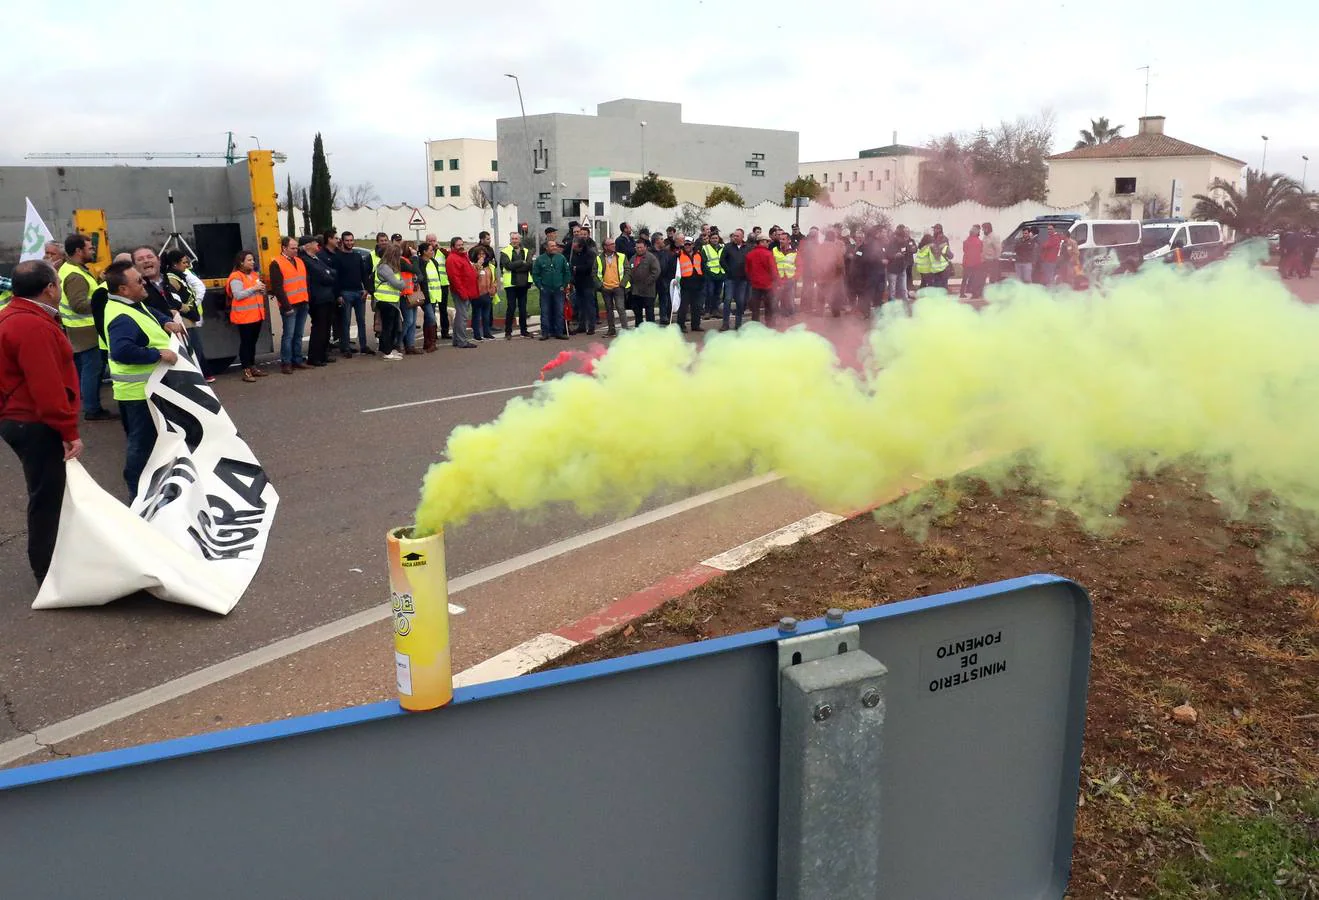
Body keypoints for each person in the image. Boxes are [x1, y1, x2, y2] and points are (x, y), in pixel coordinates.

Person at [0, 260, 84, 586]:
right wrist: (69, 430)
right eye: (57, 284)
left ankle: (55, 561)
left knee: (48, 493)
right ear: (49, 288)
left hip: (19, 418)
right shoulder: (32, 326)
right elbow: (46, 386)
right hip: (33, 421)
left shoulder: (13, 316)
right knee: (48, 497)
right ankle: (48, 572)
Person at [103, 260, 182, 499]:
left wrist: (164, 321)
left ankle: (156, 490)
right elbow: (122, 351)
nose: (143, 282)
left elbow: (148, 314)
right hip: (139, 394)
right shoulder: (121, 317)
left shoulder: (131, 305)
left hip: (149, 390)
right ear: (123, 290)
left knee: (155, 445)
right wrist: (159, 353)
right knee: (142, 448)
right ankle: (137, 497)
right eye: (138, 281)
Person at [59, 234, 116, 421]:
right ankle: (92, 409)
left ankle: (89, 405)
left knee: (87, 370)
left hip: (79, 328)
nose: (93, 251)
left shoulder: (71, 269)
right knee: (92, 370)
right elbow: (79, 304)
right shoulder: (75, 275)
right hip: (86, 329)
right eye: (90, 248)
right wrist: (104, 300)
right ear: (78, 251)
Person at [161, 248, 213, 381]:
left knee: (197, 351)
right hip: (184, 321)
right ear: (175, 264)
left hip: (189, 320)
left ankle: (199, 377)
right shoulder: (172, 279)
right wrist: (190, 311)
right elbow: (175, 302)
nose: (187, 265)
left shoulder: (179, 276)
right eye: (184, 262)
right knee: (194, 352)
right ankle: (195, 380)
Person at [226, 250, 269, 382]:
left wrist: (262, 290)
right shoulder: (236, 277)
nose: (252, 262)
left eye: (253, 260)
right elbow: (238, 295)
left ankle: (252, 366)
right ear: (241, 262)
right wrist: (255, 289)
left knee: (252, 343)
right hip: (244, 317)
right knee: (246, 343)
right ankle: (246, 370)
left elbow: (259, 293)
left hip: (256, 315)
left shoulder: (254, 274)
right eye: (249, 260)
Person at [269, 237, 310, 373]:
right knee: (288, 335)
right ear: (284, 248)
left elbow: (304, 281)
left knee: (298, 334)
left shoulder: (299, 261)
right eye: (292, 248)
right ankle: (286, 362)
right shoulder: (276, 263)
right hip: (290, 305)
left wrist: (307, 299)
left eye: (296, 247)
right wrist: (286, 307)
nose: (295, 250)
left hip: (302, 302)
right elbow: (278, 287)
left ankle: (297, 360)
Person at [299, 235, 338, 367]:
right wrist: (328, 274)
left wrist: (328, 273)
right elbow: (323, 275)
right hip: (318, 299)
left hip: (327, 297)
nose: (318, 245)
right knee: (319, 328)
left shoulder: (316, 258)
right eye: (315, 243)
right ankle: (314, 357)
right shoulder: (305, 260)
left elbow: (332, 272)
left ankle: (323, 354)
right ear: (307, 246)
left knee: (327, 327)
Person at [333, 231, 372, 356]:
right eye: (347, 240)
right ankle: (345, 348)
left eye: (351, 240)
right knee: (346, 321)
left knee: (361, 321)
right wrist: (338, 295)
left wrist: (366, 289)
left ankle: (364, 345)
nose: (349, 243)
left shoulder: (357, 256)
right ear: (342, 242)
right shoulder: (337, 257)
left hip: (359, 292)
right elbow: (336, 278)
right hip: (345, 293)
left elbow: (364, 274)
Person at [374, 242, 408, 358]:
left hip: (392, 301)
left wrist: (401, 283)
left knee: (393, 326)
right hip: (385, 300)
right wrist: (403, 283)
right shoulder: (384, 267)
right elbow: (397, 283)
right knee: (388, 327)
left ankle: (388, 348)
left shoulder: (391, 268)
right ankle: (387, 351)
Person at [444, 236, 479, 348]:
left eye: (461, 244)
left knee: (460, 315)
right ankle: (462, 341)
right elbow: (455, 278)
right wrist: (462, 292)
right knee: (462, 316)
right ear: (453, 246)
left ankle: (457, 340)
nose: (461, 246)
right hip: (461, 291)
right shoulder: (453, 259)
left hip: (466, 290)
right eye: (458, 245)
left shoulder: (462, 256)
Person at [532, 240, 570, 340]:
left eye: (555, 246)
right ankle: (545, 332)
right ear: (546, 248)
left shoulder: (561, 258)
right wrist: (540, 286)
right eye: (552, 246)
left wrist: (564, 285)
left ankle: (559, 332)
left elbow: (566, 272)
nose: (554, 247)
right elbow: (535, 274)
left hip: (559, 289)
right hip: (545, 289)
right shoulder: (540, 259)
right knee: (545, 312)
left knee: (559, 311)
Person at [132, 246, 182, 321]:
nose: (146, 261)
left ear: (159, 260)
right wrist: (169, 313)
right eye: (140, 259)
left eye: (150, 257)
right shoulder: (135, 289)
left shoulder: (170, 279)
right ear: (134, 266)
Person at [500, 233, 533, 339]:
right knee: (511, 308)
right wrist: (521, 262)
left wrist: (517, 266)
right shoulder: (505, 251)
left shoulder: (527, 251)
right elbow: (508, 266)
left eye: (516, 239)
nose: (514, 240)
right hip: (511, 284)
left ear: (520, 240)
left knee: (523, 309)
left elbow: (529, 265)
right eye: (512, 239)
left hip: (523, 283)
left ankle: (524, 331)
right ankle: (508, 332)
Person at [597, 237, 631, 336]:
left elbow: (628, 270)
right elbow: (594, 273)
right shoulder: (599, 258)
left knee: (621, 308)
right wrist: (600, 286)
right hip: (606, 288)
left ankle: (625, 330)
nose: (614, 246)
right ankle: (611, 330)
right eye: (611, 244)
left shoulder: (621, 256)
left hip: (618, 287)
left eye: (614, 244)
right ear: (605, 247)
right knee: (609, 310)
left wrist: (622, 284)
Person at [719, 228, 750, 332]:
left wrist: (747, 273)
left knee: (740, 302)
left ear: (742, 237)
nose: (735, 238)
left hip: (742, 280)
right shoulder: (728, 247)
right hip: (730, 279)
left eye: (737, 236)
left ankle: (738, 324)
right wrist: (728, 271)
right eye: (734, 236)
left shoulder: (748, 248)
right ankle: (725, 324)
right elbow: (722, 260)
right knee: (727, 300)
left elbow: (750, 262)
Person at [745, 233, 778, 325]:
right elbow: (773, 269)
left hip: (755, 285)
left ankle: (755, 327)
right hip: (768, 286)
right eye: (767, 241)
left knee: (755, 309)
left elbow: (747, 270)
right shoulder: (768, 254)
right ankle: (770, 326)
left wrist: (752, 279)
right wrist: (775, 281)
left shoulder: (750, 254)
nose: (768, 243)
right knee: (769, 308)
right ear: (762, 242)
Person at [415, 242, 442, 352]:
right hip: (425, 295)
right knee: (431, 318)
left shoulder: (434, 262)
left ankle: (427, 342)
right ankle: (432, 342)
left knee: (428, 319)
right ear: (424, 252)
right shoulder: (419, 262)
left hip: (435, 294)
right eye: (430, 250)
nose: (432, 252)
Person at [569, 236, 598, 335]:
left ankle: (591, 326)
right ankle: (581, 326)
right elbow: (571, 266)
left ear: (581, 246)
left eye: (576, 247)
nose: (574, 249)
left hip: (588, 283)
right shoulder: (575, 254)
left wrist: (577, 268)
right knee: (580, 305)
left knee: (589, 305)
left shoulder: (590, 254)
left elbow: (589, 267)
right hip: (578, 283)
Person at [676, 237, 705, 333]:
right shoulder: (679, 255)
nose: (687, 246)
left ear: (693, 245)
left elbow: (702, 267)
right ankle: (681, 325)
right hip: (685, 285)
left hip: (697, 284)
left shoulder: (699, 254)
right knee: (683, 307)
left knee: (696, 307)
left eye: (689, 244)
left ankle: (696, 325)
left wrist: (702, 280)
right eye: (686, 244)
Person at [628, 240, 660, 327]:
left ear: (645, 247)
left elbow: (656, 271)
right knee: (637, 312)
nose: (639, 249)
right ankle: (639, 329)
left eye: (641, 247)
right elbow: (629, 271)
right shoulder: (632, 258)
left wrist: (648, 281)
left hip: (648, 290)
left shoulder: (651, 258)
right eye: (637, 248)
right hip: (636, 291)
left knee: (649, 312)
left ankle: (651, 331)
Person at [399, 241, 423, 355]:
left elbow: (419, 275)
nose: (415, 250)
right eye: (413, 248)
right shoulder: (402, 260)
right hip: (404, 294)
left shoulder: (410, 261)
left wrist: (417, 278)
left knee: (413, 321)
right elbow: (415, 270)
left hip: (412, 294)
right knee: (408, 321)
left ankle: (410, 345)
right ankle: (397, 342)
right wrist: (414, 257)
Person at [471, 245, 497, 341]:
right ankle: (477, 334)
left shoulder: (490, 267)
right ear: (476, 256)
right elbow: (473, 277)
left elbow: (493, 278)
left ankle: (487, 333)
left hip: (487, 293)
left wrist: (493, 287)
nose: (482, 256)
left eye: (483, 254)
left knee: (486, 315)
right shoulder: (473, 266)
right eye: (479, 254)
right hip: (477, 294)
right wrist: (478, 266)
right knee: (477, 315)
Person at [773, 234, 798, 318]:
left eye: (783, 239)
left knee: (790, 302)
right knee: (775, 301)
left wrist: (796, 276)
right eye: (780, 239)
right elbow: (772, 263)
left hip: (790, 279)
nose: (781, 241)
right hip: (778, 279)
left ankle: (791, 319)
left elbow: (800, 265)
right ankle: (777, 321)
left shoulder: (794, 251)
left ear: (789, 240)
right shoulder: (775, 250)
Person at [655, 236, 677, 325]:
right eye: (661, 239)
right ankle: (652, 320)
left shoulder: (666, 253)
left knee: (666, 298)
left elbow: (671, 265)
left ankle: (666, 316)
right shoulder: (651, 252)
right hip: (655, 279)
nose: (663, 241)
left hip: (666, 279)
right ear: (656, 241)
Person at [960, 224, 984, 300]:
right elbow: (981, 251)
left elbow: (964, 250)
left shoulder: (966, 241)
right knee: (974, 279)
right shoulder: (979, 242)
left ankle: (962, 293)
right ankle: (974, 294)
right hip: (976, 263)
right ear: (977, 232)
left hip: (967, 262)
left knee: (965, 278)